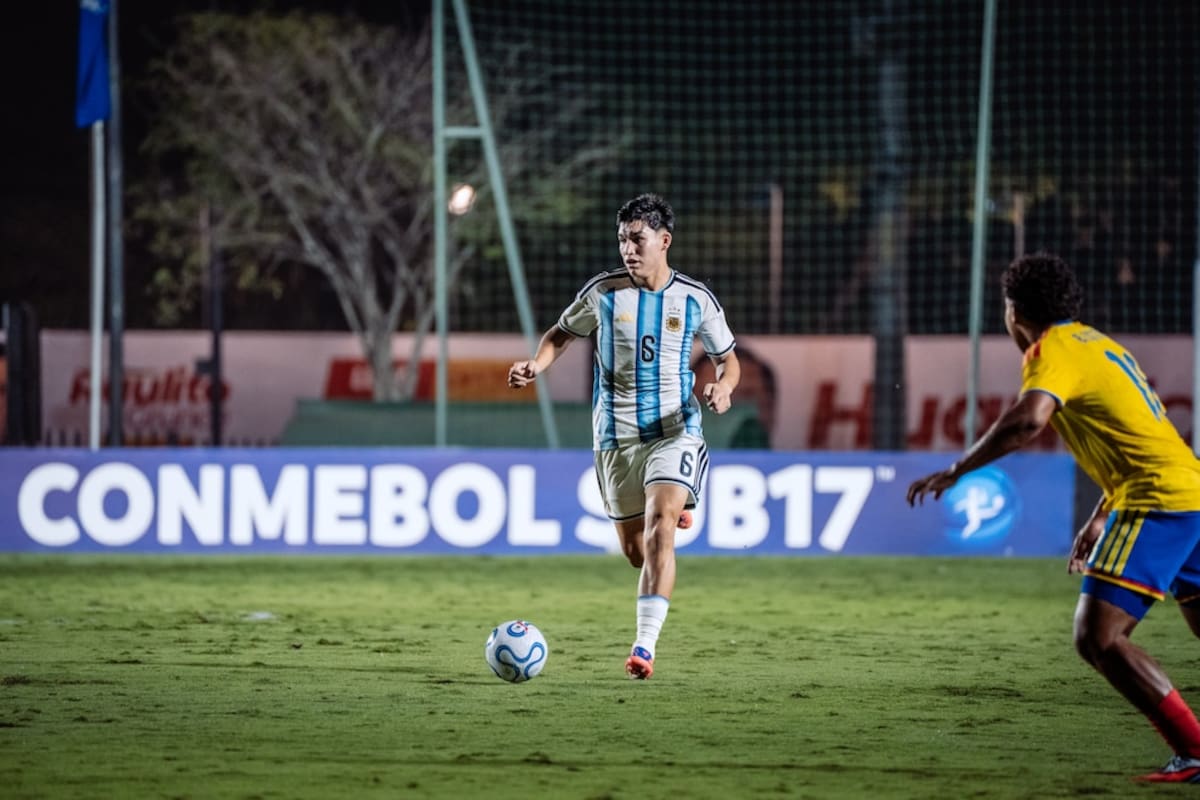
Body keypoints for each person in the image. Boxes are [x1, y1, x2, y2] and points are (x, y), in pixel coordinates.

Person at [906, 251, 1200, 783]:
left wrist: (957, 469)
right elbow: (1135, 437)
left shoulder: (1052, 350)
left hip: (1157, 499)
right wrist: (1098, 517)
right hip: (1188, 490)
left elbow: (1028, 420)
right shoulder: (1097, 343)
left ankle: (1196, 751)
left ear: (1014, 311)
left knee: (1099, 637)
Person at [508, 193, 740, 680]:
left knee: (662, 522)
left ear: (664, 240)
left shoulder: (695, 299)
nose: (627, 249)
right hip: (615, 438)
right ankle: (674, 504)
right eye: (622, 240)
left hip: (674, 429)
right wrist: (536, 364)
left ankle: (644, 647)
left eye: (637, 240)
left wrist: (724, 387)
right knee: (637, 554)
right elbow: (561, 333)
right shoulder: (603, 292)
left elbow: (728, 358)